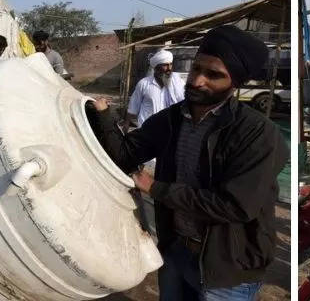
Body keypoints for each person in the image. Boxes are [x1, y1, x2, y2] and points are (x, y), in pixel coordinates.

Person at [89, 26, 283, 301]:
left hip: (227, 269)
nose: (198, 81)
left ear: (235, 83)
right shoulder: (171, 119)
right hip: (176, 251)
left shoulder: (257, 134)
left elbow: (235, 206)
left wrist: (157, 188)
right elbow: (125, 155)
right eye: (196, 69)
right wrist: (103, 115)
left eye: (213, 75)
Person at [127, 49, 185, 130]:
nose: (169, 68)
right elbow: (133, 106)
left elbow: (184, 104)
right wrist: (126, 126)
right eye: (165, 65)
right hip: (147, 129)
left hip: (170, 129)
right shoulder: (144, 83)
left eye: (170, 64)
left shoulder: (179, 83)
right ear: (156, 68)